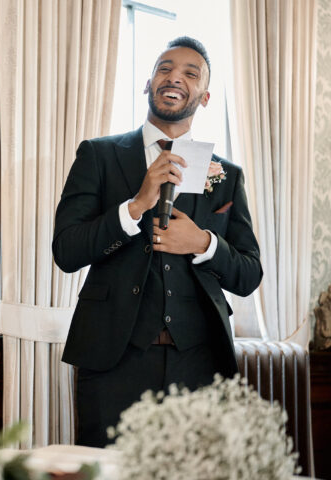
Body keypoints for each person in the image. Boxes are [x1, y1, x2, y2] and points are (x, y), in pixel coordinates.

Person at [52, 37, 262, 447]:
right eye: (165, 68)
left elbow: (249, 274)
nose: (175, 78)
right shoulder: (98, 155)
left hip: (200, 365)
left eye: (190, 73)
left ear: (203, 97)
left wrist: (203, 242)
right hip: (114, 361)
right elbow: (67, 250)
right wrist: (134, 207)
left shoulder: (227, 174)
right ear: (147, 84)